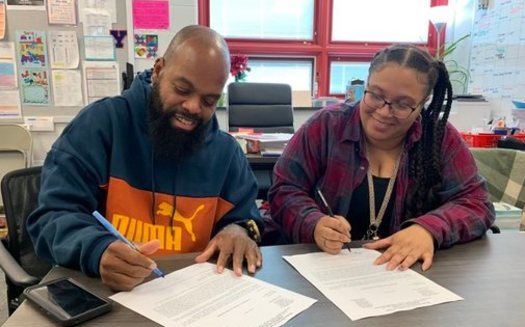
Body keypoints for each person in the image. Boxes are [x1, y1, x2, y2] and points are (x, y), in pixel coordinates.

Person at [27, 25, 263, 291]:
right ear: (159, 70)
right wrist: (98, 250)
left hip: (192, 298)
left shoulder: (227, 154)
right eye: (183, 89)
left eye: (208, 101)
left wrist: (238, 231)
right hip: (106, 293)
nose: (193, 107)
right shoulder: (101, 126)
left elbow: (247, 217)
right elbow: (51, 217)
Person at [268, 44, 495, 271]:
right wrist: (314, 223)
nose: (384, 111)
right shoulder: (326, 126)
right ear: (365, 85)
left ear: (422, 104)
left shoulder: (438, 137)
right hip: (324, 271)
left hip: (403, 276)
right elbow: (283, 191)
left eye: (403, 104)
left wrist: (428, 229)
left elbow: (476, 203)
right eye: (376, 95)